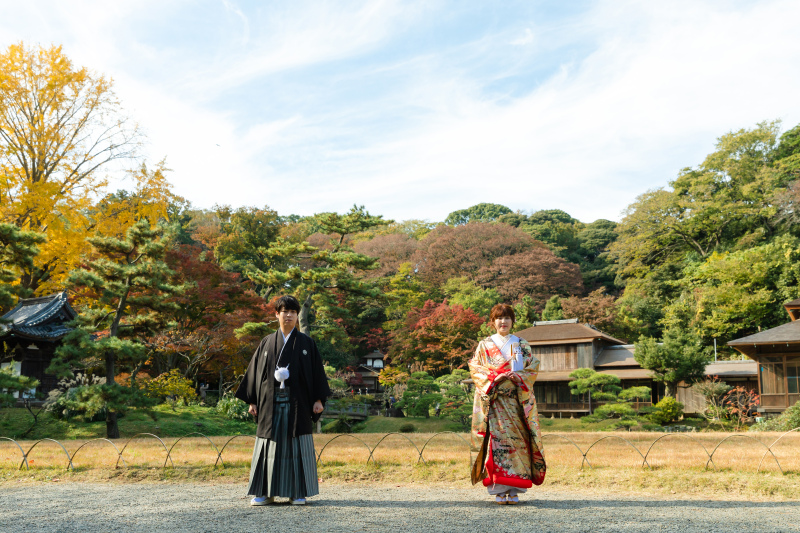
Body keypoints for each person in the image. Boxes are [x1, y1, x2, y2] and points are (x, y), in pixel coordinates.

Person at [235, 295, 331, 506]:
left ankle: (297, 492)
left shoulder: (307, 343)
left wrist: (318, 399)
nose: (289, 315)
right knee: (269, 447)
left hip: (299, 403)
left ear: (297, 316)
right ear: (276, 314)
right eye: (284, 311)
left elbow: (316, 373)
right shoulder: (267, 342)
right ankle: (264, 492)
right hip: (269, 403)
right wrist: (252, 400)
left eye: (293, 312)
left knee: (297, 446)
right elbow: (255, 373)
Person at [468, 303, 546, 505]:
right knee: (496, 445)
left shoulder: (521, 344)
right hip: (495, 403)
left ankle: (515, 489)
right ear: (492, 322)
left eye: (507, 318)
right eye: (499, 318)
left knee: (518, 443)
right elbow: (476, 369)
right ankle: (498, 489)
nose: (503, 322)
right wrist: (496, 377)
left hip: (515, 402)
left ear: (513, 321)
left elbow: (532, 369)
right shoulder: (484, 345)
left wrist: (518, 376)